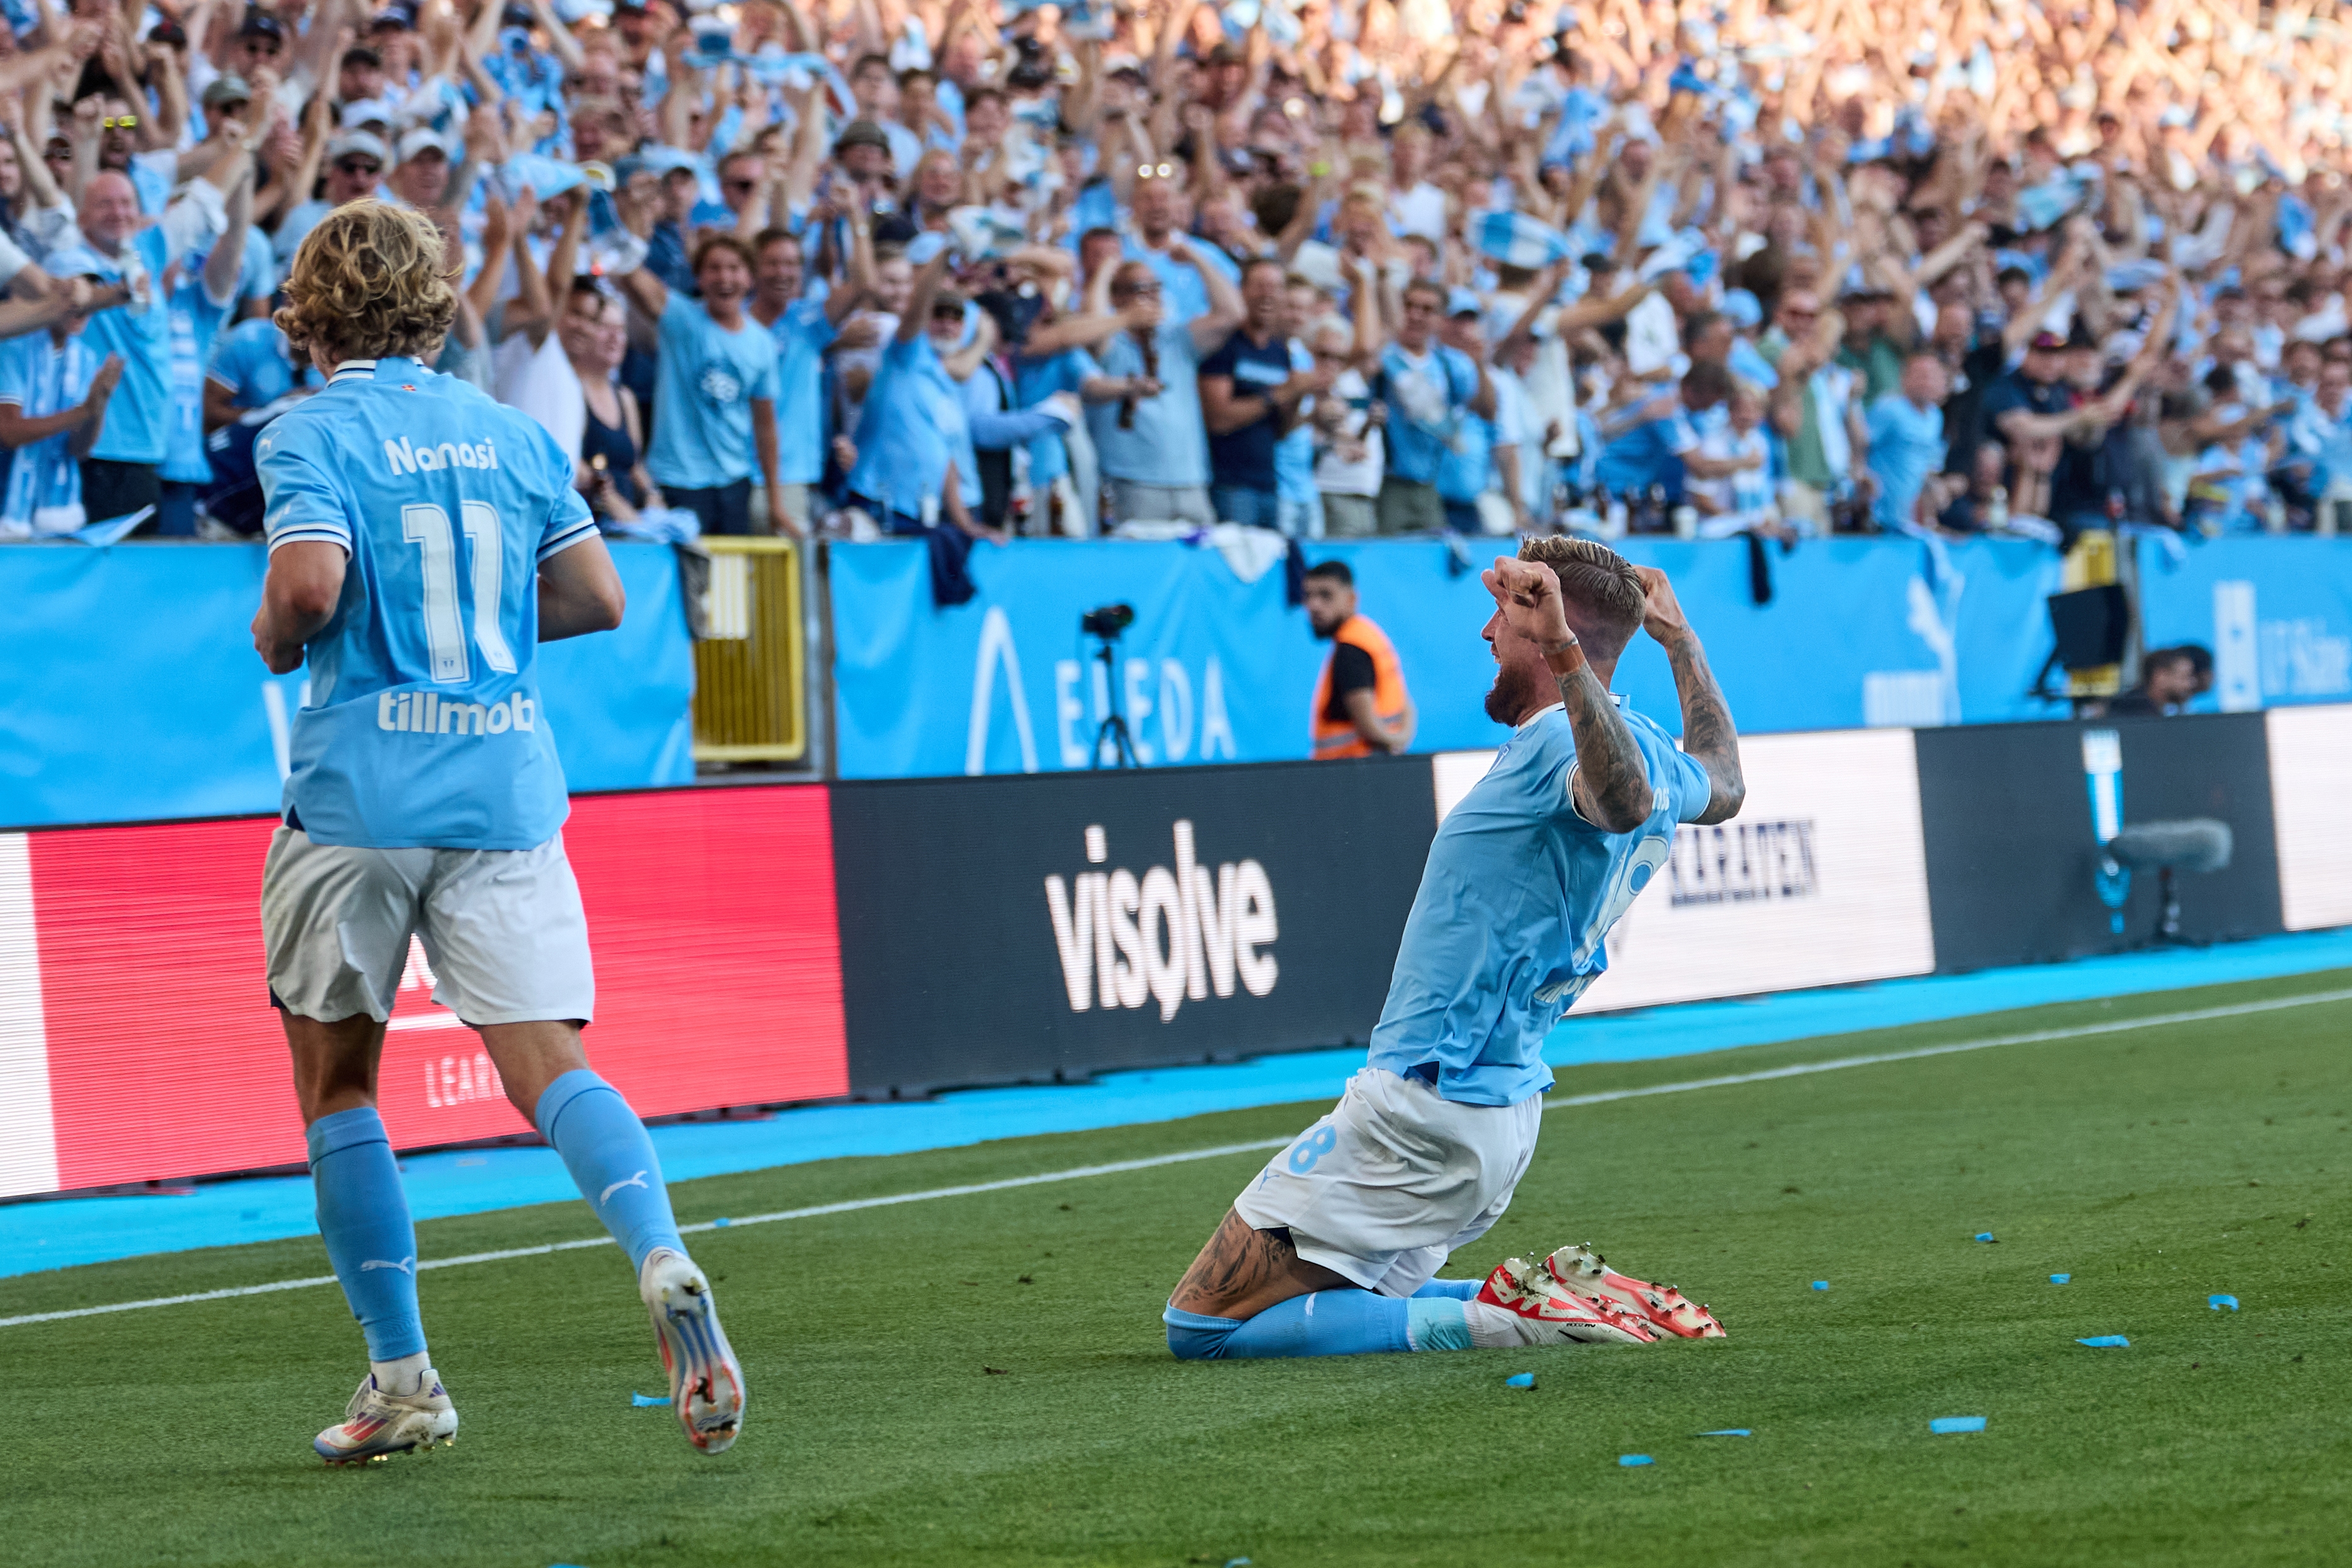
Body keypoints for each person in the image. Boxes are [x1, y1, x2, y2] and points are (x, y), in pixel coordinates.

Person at [249, 200, 743, 1462]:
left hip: (362, 791)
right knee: (550, 1063)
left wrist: (277, 638)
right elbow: (597, 596)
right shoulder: (514, 432)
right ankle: (660, 1252)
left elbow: (305, 588)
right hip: (503, 783)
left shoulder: (312, 427)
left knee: (341, 1082)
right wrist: (482, 632)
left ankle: (404, 1380)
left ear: (312, 313)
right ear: (437, 304)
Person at [1163, 537, 1744, 1360]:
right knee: (1353, 1299)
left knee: (1205, 1324)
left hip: (1425, 1104)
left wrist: (1562, 649)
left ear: (1548, 629)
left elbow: (1621, 802)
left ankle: (1520, 1323)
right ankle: (1548, 1294)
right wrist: (1681, 642)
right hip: (1495, 1109)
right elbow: (1723, 779)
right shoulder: (1642, 737)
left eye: (1506, 616)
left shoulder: (1563, 748)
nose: (1485, 632)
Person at [611, 232, 792, 536]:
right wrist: (625, 225)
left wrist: (776, 503)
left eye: (734, 268)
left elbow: (766, 426)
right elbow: (634, 277)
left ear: (750, 278)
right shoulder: (679, 317)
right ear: (699, 278)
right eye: (714, 268)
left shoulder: (762, 343)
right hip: (678, 481)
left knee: (732, 582)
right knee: (690, 581)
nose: (725, 277)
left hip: (735, 483)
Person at [1198, 257, 1328, 529]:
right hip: (1229, 484)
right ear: (1241, 290)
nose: (1268, 294)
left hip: (1270, 484)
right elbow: (1218, 419)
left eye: (1276, 287)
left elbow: (1280, 430)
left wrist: (1302, 398)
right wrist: (1279, 394)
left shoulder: (1280, 352)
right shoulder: (1225, 344)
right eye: (1260, 286)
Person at [1303, 558, 1415, 757]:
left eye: (1325, 595)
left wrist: (1394, 743)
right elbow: (1407, 705)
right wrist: (1401, 743)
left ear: (1351, 599)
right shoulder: (1369, 636)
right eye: (1309, 596)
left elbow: (1369, 728)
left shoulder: (1351, 649)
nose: (1314, 606)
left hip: (1351, 773)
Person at [2107, 645, 2215, 716]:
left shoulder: (2157, 712)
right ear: (2161, 677)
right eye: (2184, 677)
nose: (2191, 684)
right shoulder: (2133, 714)